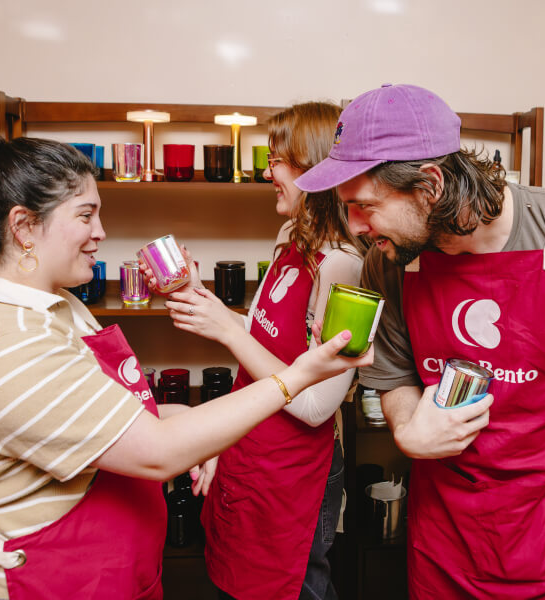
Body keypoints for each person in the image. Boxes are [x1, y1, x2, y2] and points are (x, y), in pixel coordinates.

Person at [0, 121, 374, 600]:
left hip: (98, 575)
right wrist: (294, 376)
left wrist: (201, 429)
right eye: (86, 215)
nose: (102, 232)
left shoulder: (57, 306)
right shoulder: (0, 339)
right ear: (25, 226)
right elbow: (154, 449)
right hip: (39, 581)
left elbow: (112, 415)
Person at [295, 83, 545, 598]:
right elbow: (398, 377)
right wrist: (406, 431)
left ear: (429, 184)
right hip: (444, 542)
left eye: (365, 206)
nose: (356, 228)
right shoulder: (387, 261)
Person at [157, 102, 365, 600]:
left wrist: (227, 333)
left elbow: (316, 408)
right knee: (236, 580)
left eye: (279, 160)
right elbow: (260, 332)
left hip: (295, 466)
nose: (269, 172)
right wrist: (201, 298)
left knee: (294, 586)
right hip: (250, 438)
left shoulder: (344, 265)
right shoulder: (291, 236)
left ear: (316, 168)